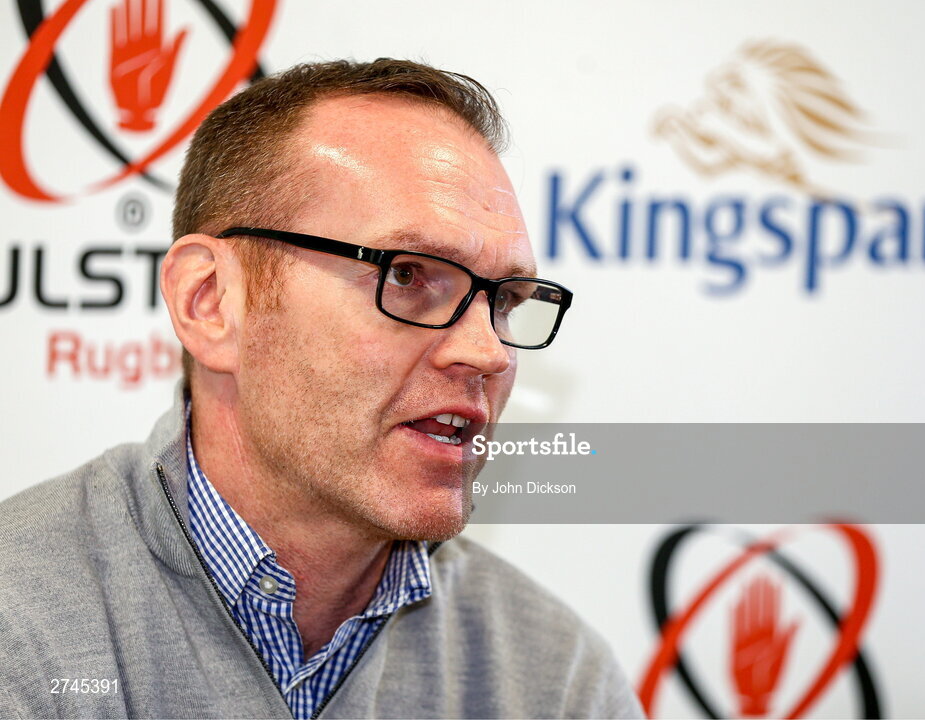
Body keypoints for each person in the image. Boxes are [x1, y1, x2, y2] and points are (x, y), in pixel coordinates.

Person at [0, 59, 642, 719]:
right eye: (407, 275)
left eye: (504, 300)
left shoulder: (556, 683)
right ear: (209, 301)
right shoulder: (19, 622)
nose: (488, 352)